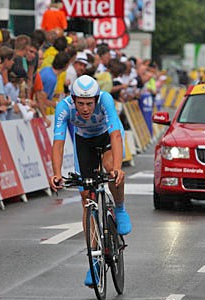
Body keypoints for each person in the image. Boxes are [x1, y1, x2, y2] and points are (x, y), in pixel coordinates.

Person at [49, 75, 132, 286]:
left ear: (96, 99)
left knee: (111, 170)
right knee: (86, 196)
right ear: (73, 99)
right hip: (84, 140)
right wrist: (56, 173)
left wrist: (119, 169)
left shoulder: (105, 100)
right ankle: (94, 261)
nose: (85, 108)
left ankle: (120, 208)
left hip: (107, 136)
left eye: (89, 103)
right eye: (80, 104)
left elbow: (115, 135)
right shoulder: (63, 107)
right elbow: (58, 143)